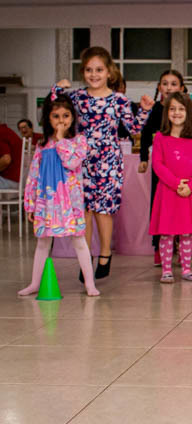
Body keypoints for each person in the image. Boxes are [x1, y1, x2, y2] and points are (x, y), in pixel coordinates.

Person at [52, 46, 154, 280]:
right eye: (89, 70)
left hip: (108, 161)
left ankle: (105, 253)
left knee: (103, 211)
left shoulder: (119, 99)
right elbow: (55, 107)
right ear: (83, 72)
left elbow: (134, 127)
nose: (94, 74)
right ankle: (85, 257)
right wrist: (58, 88)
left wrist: (145, 110)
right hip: (81, 161)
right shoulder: (76, 97)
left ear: (109, 71)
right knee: (84, 211)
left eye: (99, 70)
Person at [18, 94, 98, 297]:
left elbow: (72, 162)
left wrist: (61, 140)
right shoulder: (42, 144)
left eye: (66, 115)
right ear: (48, 118)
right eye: (56, 116)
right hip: (46, 202)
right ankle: (35, 283)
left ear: (73, 117)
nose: (61, 121)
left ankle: (90, 284)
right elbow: (33, 175)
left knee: (79, 241)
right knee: (43, 242)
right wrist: (30, 204)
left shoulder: (79, 141)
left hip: (71, 203)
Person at [139, 70, 192, 266]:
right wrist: (144, 158)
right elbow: (145, 134)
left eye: (174, 84)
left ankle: (181, 249)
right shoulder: (156, 110)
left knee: (184, 213)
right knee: (162, 211)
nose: (169, 87)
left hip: (185, 173)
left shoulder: (189, 112)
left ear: (182, 87)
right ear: (159, 87)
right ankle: (159, 248)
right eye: (165, 83)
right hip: (164, 172)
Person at [148, 92, 192, 284]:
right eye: (172, 109)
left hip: (188, 193)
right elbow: (157, 164)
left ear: (188, 112)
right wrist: (175, 183)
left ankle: (186, 269)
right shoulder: (160, 137)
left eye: (181, 109)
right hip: (167, 192)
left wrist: (191, 186)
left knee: (186, 232)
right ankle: (166, 270)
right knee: (167, 232)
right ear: (166, 112)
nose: (177, 112)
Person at [0, 123, 23, 190]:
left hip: (9, 180)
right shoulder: (6, 130)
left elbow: (6, 160)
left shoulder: (1, 132)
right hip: (16, 179)